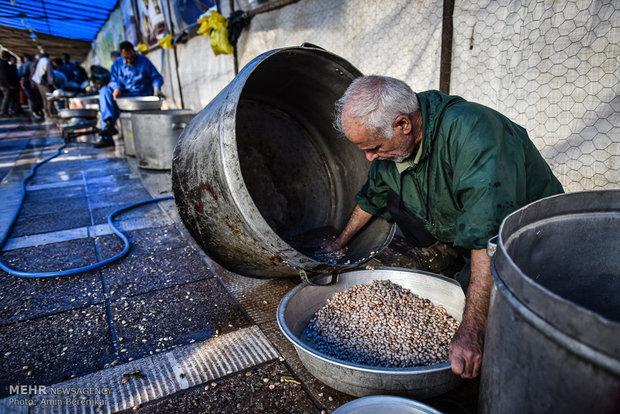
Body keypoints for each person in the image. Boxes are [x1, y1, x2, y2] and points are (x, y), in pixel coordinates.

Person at [324, 75, 564, 379]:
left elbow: (486, 234)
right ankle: (450, 260)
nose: (369, 157)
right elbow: (373, 197)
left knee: (505, 326)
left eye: (374, 147)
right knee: (395, 200)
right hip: (466, 226)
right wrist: (339, 242)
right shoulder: (395, 145)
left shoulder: (473, 132)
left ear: (403, 124)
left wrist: (472, 328)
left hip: (528, 240)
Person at [94, 41, 163, 148]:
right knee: (104, 91)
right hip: (125, 97)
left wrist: (157, 88)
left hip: (142, 96)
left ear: (134, 52)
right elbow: (113, 80)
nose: (128, 60)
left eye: (130, 57)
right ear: (121, 55)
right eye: (125, 58)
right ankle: (108, 128)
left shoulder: (144, 61)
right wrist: (117, 88)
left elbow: (156, 77)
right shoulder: (117, 64)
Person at [31, 53, 55, 119]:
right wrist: (53, 84)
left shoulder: (40, 61)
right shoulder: (47, 62)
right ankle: (49, 113)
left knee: (44, 97)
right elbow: (50, 76)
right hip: (41, 81)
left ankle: (46, 112)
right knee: (49, 96)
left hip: (37, 80)